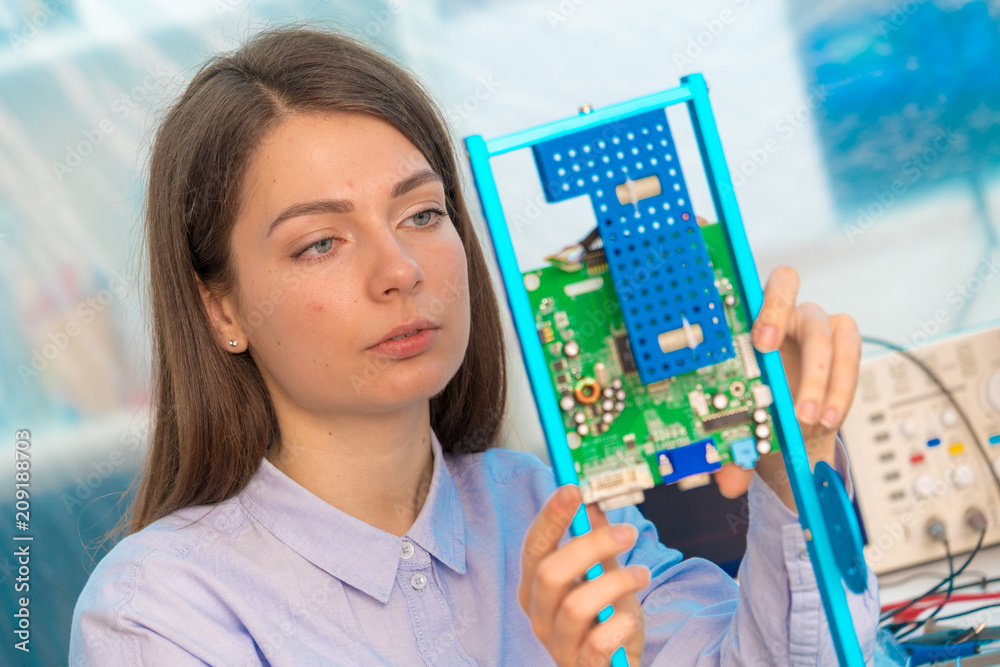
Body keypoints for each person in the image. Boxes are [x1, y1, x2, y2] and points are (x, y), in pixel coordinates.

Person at [69, 25, 878, 666]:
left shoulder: (547, 505)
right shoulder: (157, 612)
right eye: (320, 242)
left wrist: (794, 469)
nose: (399, 270)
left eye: (422, 214)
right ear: (220, 310)